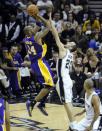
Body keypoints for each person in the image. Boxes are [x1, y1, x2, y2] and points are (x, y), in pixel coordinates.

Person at [49, 13, 76, 130]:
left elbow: (56, 36)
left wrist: (51, 22)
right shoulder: (69, 54)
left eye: (71, 43)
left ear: (71, 47)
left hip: (63, 81)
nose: (69, 42)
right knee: (67, 103)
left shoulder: (64, 50)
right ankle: (72, 124)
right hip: (67, 79)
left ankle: (74, 125)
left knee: (66, 103)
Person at [23, 15, 54, 117]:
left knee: (50, 83)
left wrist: (36, 15)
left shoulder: (26, 38)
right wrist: (40, 16)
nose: (34, 28)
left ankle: (42, 103)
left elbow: (38, 25)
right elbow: (49, 27)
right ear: (29, 32)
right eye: (32, 28)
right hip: (40, 63)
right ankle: (32, 103)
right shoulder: (36, 37)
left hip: (38, 63)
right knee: (49, 85)